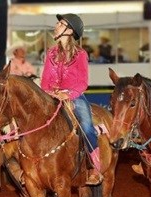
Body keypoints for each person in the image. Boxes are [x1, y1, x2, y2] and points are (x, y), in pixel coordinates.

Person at [40, 13, 102, 185]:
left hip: (74, 96)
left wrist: (68, 94)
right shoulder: (50, 53)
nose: (56, 26)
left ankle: (95, 169)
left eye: (60, 24)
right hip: (51, 96)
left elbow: (83, 82)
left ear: (69, 30)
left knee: (87, 127)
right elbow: (45, 79)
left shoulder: (81, 55)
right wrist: (49, 93)